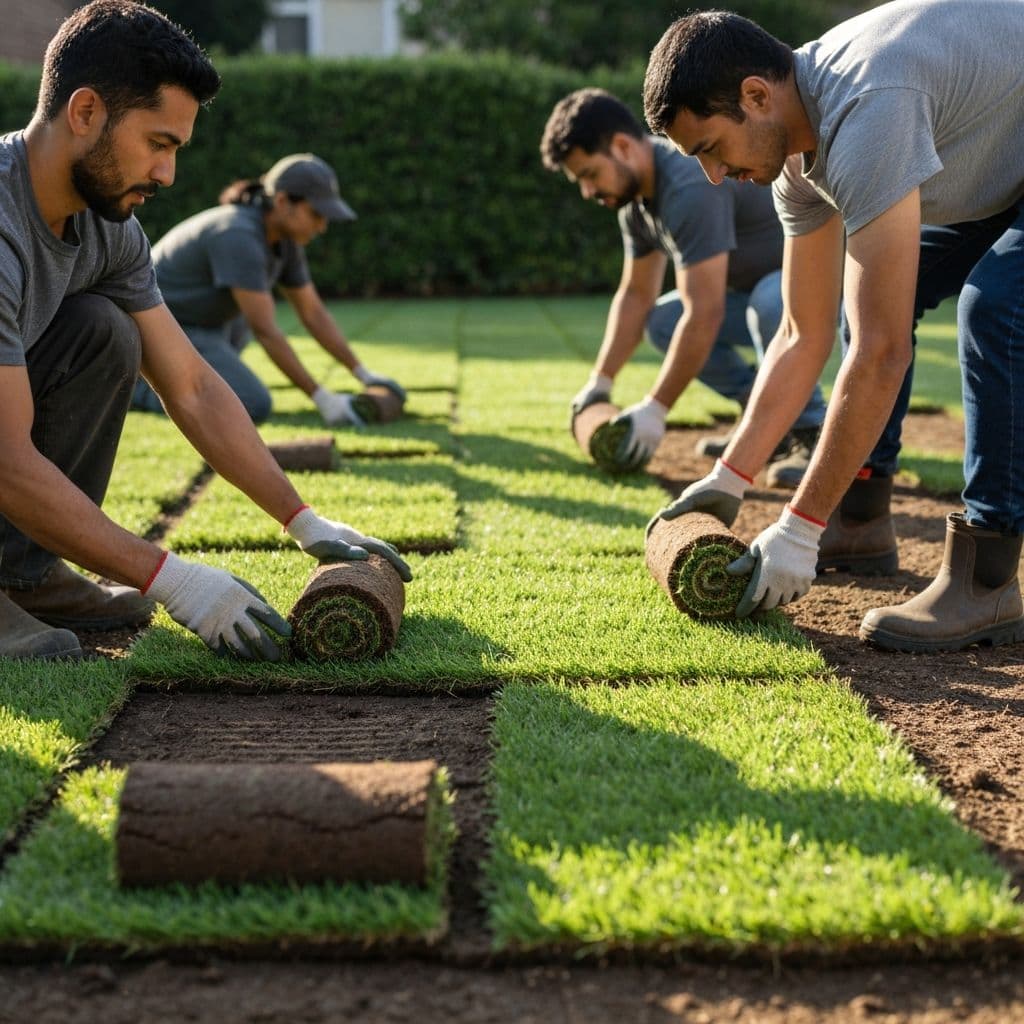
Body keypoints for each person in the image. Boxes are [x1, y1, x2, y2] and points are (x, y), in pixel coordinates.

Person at [0, 0, 410, 662]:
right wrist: (174, 579)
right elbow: (7, 462)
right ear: (85, 113)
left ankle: (24, 573)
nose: (167, 174)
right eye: (158, 144)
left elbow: (190, 383)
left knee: (105, 330)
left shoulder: (109, 228)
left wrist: (301, 519)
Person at [644, 1, 1024, 652]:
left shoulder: (867, 109)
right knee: (872, 302)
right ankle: (861, 516)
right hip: (1006, 159)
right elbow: (802, 333)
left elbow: (882, 354)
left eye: (710, 149)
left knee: (995, 309)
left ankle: (987, 579)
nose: (713, 176)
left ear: (755, 96)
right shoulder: (796, 156)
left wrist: (798, 526)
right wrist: (731, 475)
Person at [540, 87, 827, 484]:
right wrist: (600, 382)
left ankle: (810, 432)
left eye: (589, 175)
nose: (588, 192)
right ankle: (764, 424)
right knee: (662, 321)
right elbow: (636, 296)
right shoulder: (636, 208)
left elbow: (705, 312)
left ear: (622, 146)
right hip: (758, 297)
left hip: (817, 288)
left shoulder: (688, 185)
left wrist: (656, 408)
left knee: (768, 302)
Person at [130, 153, 404, 426]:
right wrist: (322, 398)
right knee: (252, 402)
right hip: (159, 327)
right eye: (316, 214)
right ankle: (137, 388)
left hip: (203, 326)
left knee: (239, 324)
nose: (322, 226)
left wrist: (363, 373)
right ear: (283, 202)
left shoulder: (284, 240)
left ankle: (185, 381)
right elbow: (266, 331)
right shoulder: (238, 234)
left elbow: (313, 313)